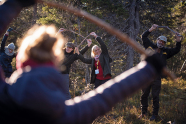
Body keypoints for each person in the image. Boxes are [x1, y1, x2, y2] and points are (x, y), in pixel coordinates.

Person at [0, 25, 167, 124]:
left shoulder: (3, 95)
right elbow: (106, 96)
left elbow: (81, 57)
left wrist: (15, 4)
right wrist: (148, 69)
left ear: (22, 58)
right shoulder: (65, 114)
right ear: (55, 60)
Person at [139, 24, 182, 121]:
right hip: (146, 76)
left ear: (164, 44)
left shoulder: (166, 52)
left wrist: (178, 40)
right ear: (157, 40)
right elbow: (143, 37)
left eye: (163, 42)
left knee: (155, 96)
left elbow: (177, 50)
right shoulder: (150, 46)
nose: (161, 43)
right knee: (144, 95)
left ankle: (155, 115)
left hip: (157, 77)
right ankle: (143, 113)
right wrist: (151, 29)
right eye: (160, 41)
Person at [57, 28, 92, 99]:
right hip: (56, 73)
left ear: (72, 49)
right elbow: (55, 43)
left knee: (66, 92)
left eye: (70, 48)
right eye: (67, 47)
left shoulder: (74, 56)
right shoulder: (61, 52)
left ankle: (70, 106)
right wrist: (58, 33)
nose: (68, 48)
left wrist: (88, 45)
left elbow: (81, 53)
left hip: (64, 75)